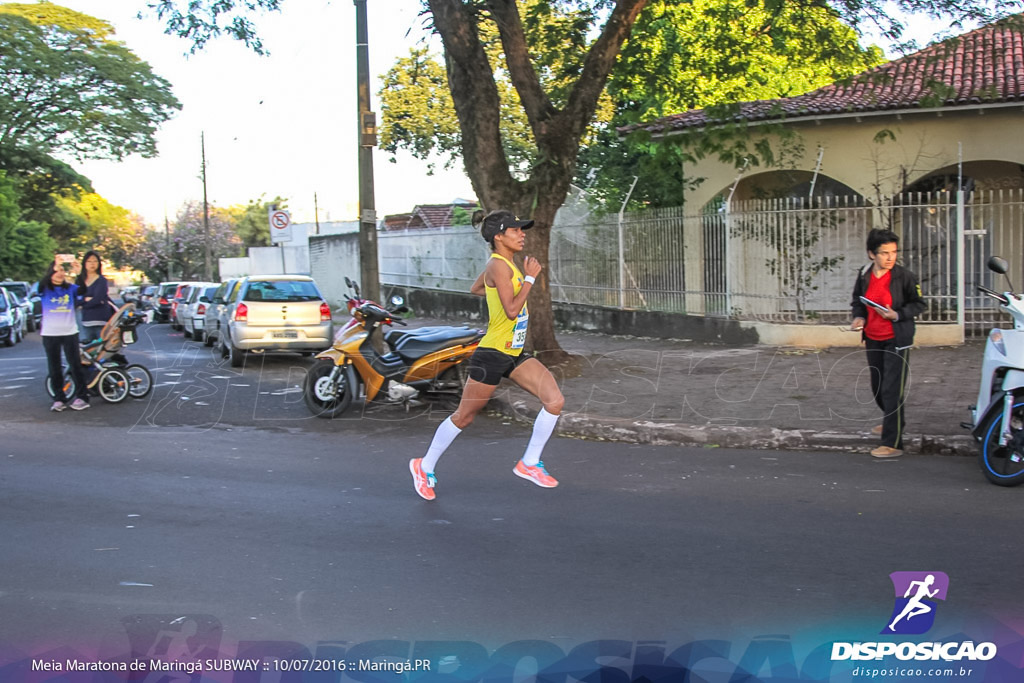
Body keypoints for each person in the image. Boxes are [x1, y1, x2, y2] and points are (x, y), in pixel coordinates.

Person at [409, 209, 565, 500]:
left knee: (554, 401)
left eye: (522, 230)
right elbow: (511, 310)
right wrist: (529, 280)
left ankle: (529, 463)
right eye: (516, 230)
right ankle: (424, 465)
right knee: (464, 417)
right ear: (499, 236)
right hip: (491, 354)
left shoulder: (504, 265)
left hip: (514, 352)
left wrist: (502, 288)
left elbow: (476, 288)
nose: (523, 234)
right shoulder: (499, 266)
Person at [850, 228, 926, 458]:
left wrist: (898, 314)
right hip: (873, 337)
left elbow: (919, 304)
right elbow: (858, 300)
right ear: (871, 254)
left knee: (892, 389)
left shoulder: (905, 276)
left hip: (897, 338)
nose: (890, 257)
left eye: (893, 252)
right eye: (884, 253)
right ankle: (892, 420)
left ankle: (892, 443)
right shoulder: (864, 274)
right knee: (878, 386)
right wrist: (859, 316)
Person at [39, 259, 91, 411]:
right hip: (50, 333)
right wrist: (53, 264)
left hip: (69, 332)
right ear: (50, 273)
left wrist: (78, 272)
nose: (61, 273)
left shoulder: (70, 288)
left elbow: (83, 290)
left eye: (62, 270)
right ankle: (59, 399)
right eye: (57, 270)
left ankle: (82, 397)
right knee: (54, 367)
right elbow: (40, 284)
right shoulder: (44, 289)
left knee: (75, 365)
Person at [76, 250, 110, 343]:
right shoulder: (80, 281)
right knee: (88, 351)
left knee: (102, 350)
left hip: (101, 320)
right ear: (84, 263)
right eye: (89, 261)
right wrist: (85, 300)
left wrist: (83, 304)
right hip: (86, 321)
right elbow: (76, 299)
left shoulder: (101, 280)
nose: (92, 264)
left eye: (95, 261)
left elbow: (98, 299)